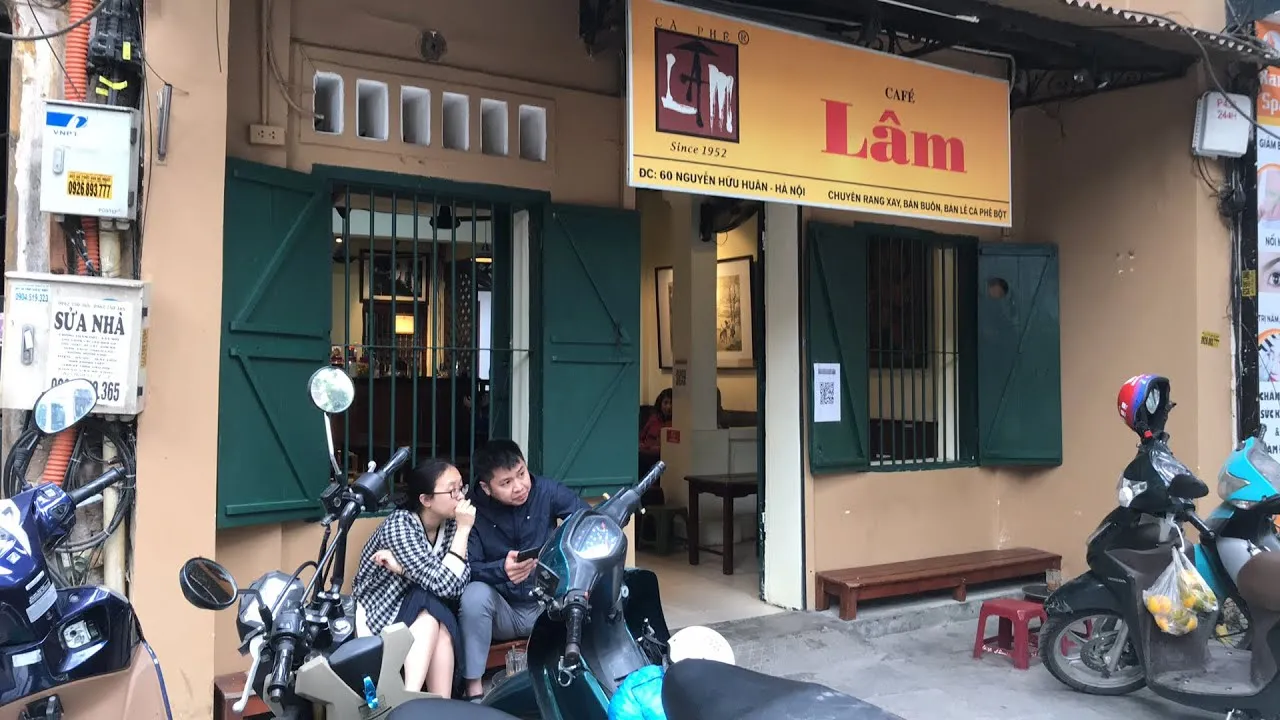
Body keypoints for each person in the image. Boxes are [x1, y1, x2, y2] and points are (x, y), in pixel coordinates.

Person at [460, 439, 589, 699]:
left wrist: (559, 555)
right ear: (486, 487)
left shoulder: (547, 490)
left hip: (547, 606)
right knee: (473, 595)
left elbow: (585, 522)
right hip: (502, 612)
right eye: (506, 483)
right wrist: (501, 570)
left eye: (521, 474)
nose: (519, 486)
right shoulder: (472, 509)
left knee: (589, 579)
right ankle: (474, 688)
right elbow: (467, 569)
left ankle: (584, 672)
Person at [352, 458, 475, 697]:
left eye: (462, 487)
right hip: (383, 608)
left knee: (437, 623)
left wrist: (404, 570)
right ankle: (411, 698)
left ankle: (438, 707)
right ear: (426, 499)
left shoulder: (451, 524)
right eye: (452, 491)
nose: (460, 496)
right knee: (431, 614)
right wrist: (463, 531)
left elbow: (459, 585)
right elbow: (446, 584)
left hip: (424, 605)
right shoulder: (400, 525)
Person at [639, 388, 672, 457]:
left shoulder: (677, 423)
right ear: (660, 404)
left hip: (659, 457)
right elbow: (641, 438)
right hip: (643, 453)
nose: (669, 407)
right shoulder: (653, 419)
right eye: (665, 403)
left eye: (672, 403)